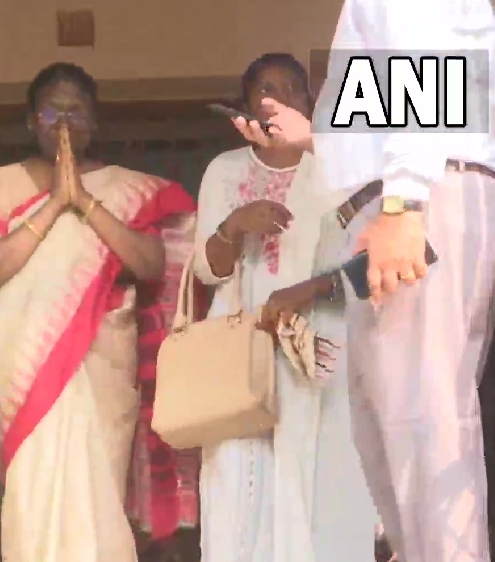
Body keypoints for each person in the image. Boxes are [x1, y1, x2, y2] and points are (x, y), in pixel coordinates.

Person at [232, 3, 495, 560]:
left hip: (417, 196)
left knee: (421, 428)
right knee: (391, 431)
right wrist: (313, 139)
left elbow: (427, 71)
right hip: (405, 196)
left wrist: (403, 204)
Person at [0, 62, 199, 562]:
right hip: (21, 373)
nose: (65, 121)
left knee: (97, 502)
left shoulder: (129, 190)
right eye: (52, 109)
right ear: (31, 121)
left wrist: (86, 202)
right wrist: (56, 203)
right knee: (33, 499)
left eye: (77, 110)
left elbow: (152, 263)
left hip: (101, 370)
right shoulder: (2, 185)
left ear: (95, 122)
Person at [194, 53, 377, 562]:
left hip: (319, 355)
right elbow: (209, 270)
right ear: (246, 106)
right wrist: (235, 225)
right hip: (239, 356)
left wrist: (307, 290)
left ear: (311, 104)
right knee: (237, 483)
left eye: (292, 89)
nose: (277, 100)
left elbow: (374, 269)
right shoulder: (224, 170)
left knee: (317, 485)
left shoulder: (340, 172)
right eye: (264, 90)